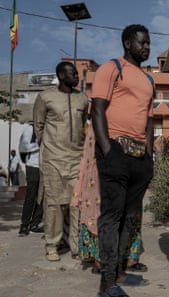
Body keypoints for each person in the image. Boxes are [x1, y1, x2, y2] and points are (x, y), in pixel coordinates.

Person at [91, 24, 154, 296]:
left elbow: (150, 121)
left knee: (130, 218)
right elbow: (97, 109)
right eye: (142, 42)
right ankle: (107, 281)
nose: (147, 47)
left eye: (148, 43)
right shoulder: (111, 67)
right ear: (128, 43)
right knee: (112, 216)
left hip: (140, 157)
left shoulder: (149, 80)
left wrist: (150, 157)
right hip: (115, 150)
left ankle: (118, 272)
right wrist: (107, 149)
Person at [72, 111, 148, 275]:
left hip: (133, 138)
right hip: (105, 135)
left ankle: (129, 256)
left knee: (131, 202)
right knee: (101, 199)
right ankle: (102, 258)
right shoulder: (105, 91)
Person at [33, 61, 88, 261]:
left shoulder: (82, 99)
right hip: (53, 158)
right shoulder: (45, 97)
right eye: (72, 73)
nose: (77, 75)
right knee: (54, 204)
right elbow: (38, 126)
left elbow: (83, 126)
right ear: (61, 75)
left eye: (76, 72)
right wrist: (48, 147)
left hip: (76, 158)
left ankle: (75, 245)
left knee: (76, 204)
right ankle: (52, 244)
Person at [17, 121, 44, 236]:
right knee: (31, 195)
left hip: (46, 165)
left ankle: (35, 223)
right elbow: (23, 147)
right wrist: (40, 144)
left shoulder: (49, 126)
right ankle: (24, 225)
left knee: (43, 196)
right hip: (33, 165)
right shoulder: (30, 129)